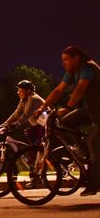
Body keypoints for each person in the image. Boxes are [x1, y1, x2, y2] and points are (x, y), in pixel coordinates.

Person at [35, 46, 100, 196]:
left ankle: (95, 183)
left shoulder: (88, 68)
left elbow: (81, 89)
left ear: (76, 57)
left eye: (66, 59)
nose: (63, 63)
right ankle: (83, 150)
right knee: (64, 122)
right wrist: (43, 107)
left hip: (98, 110)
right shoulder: (72, 72)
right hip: (88, 110)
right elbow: (58, 90)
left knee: (93, 142)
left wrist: (67, 107)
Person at [0, 80, 45, 145]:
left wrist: (16, 124)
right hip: (38, 126)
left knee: (36, 144)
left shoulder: (33, 99)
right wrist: (4, 125)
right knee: (28, 134)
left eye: (20, 91)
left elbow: (26, 115)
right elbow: (16, 114)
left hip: (46, 125)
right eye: (18, 91)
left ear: (28, 91)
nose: (18, 92)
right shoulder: (23, 100)